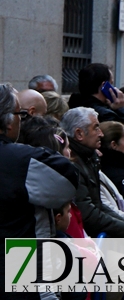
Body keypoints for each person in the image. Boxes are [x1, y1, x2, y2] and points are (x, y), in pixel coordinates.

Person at [0, 83, 79, 300]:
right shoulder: (21, 160)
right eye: (20, 114)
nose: (22, 120)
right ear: (7, 121)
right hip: (19, 269)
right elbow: (68, 180)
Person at [61, 107, 124, 242]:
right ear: (79, 134)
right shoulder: (73, 164)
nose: (101, 134)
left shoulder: (89, 159)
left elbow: (99, 206)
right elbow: (88, 213)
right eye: (96, 128)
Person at [68, 63, 124, 162]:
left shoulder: (74, 103)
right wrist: (122, 109)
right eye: (111, 83)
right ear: (104, 86)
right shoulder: (104, 114)